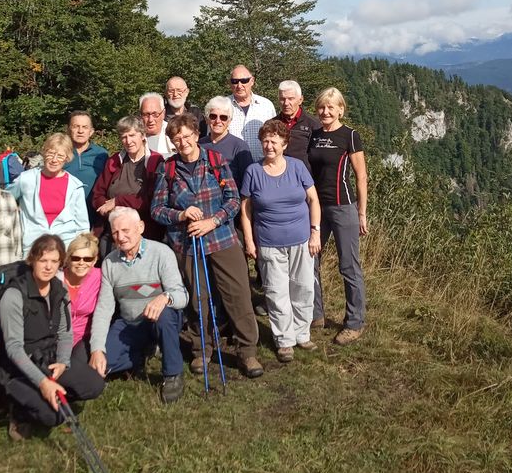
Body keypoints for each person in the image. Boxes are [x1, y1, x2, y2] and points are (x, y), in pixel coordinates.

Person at [150, 113, 264, 378]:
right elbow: (156, 209)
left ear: (195, 135)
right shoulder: (168, 169)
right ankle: (201, 349)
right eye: (177, 139)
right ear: (172, 142)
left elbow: (233, 200)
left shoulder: (215, 161)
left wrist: (212, 221)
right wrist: (180, 214)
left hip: (222, 238)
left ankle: (247, 351)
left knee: (237, 294)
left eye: (187, 136)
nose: (183, 142)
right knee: (197, 299)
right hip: (187, 244)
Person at [0, 234, 105, 441]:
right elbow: (14, 349)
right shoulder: (14, 295)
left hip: (49, 359)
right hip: (19, 368)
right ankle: (18, 410)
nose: (48, 267)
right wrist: (43, 383)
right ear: (32, 260)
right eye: (43, 260)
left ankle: (51, 395)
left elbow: (65, 332)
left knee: (95, 385)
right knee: (54, 416)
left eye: (54, 261)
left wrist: (63, 362)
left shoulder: (59, 289)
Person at [88, 208, 189, 404]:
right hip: (129, 323)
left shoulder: (161, 253)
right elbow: (104, 309)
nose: (121, 237)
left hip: (160, 321)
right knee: (99, 368)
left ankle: (173, 374)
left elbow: (182, 295)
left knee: (165, 316)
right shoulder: (109, 262)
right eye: (115, 232)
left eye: (126, 230)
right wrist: (97, 349)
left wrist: (164, 297)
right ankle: (141, 354)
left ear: (140, 227)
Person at [240, 120, 322, 362]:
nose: (269, 146)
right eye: (265, 141)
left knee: (304, 288)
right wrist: (249, 241)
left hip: (301, 240)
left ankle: (302, 333)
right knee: (276, 292)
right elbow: (246, 209)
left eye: (274, 141)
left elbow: (313, 200)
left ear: (284, 144)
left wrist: (315, 232)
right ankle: (284, 340)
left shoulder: (297, 167)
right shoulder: (253, 171)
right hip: (269, 242)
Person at [309, 87, 368, 345]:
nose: (325, 112)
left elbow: (361, 176)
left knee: (348, 266)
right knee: (310, 259)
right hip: (316, 208)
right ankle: (315, 315)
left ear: (341, 110)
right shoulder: (314, 135)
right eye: (322, 107)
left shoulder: (350, 136)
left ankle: (354, 323)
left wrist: (361, 213)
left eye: (331, 107)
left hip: (343, 207)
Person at [91, 115, 165, 252]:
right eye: (124, 137)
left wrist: (117, 201)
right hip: (113, 229)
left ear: (142, 135)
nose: (128, 141)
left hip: (144, 231)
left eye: (132, 135)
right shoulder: (114, 161)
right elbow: (97, 195)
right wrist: (111, 212)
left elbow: (151, 200)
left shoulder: (155, 160)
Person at [9, 133, 89, 253]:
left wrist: (81, 250)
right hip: (32, 246)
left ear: (67, 158)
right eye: (51, 153)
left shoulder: (75, 186)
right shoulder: (26, 179)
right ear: (44, 153)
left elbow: (82, 224)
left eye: (60, 156)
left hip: (65, 247)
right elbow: (4, 199)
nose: (54, 160)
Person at [199, 95, 254, 190]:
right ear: (207, 119)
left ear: (229, 121)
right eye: (213, 116)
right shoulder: (199, 145)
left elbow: (248, 183)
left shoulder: (240, 147)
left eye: (223, 117)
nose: (218, 121)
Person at [227, 65, 276, 162]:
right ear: (230, 83)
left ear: (252, 81)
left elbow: (275, 136)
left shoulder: (266, 105)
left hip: (262, 166)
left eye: (244, 81)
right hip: (231, 167)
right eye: (235, 81)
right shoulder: (222, 106)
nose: (239, 85)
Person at [64, 111, 108, 219]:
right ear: (69, 130)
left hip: (94, 216)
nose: (80, 131)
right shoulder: (61, 153)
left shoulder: (101, 155)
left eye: (85, 127)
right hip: (64, 216)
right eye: (76, 126)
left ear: (91, 131)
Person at [277, 80, 322, 174]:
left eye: (291, 99)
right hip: (277, 177)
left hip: (303, 178)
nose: (286, 103)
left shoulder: (313, 125)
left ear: (300, 100)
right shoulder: (273, 124)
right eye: (282, 99)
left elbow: (318, 158)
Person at [140, 92, 177, 158]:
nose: (150, 120)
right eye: (146, 114)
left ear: (163, 113)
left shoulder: (175, 135)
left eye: (155, 114)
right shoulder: (134, 137)